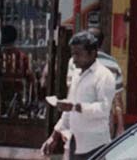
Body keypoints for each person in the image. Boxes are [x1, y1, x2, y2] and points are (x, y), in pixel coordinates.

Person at [42, 31, 116, 160]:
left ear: (92, 53)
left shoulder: (104, 76)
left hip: (95, 145)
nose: (74, 59)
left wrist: (77, 107)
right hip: (75, 143)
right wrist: (55, 135)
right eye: (73, 54)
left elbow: (103, 110)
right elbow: (69, 109)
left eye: (78, 54)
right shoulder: (77, 74)